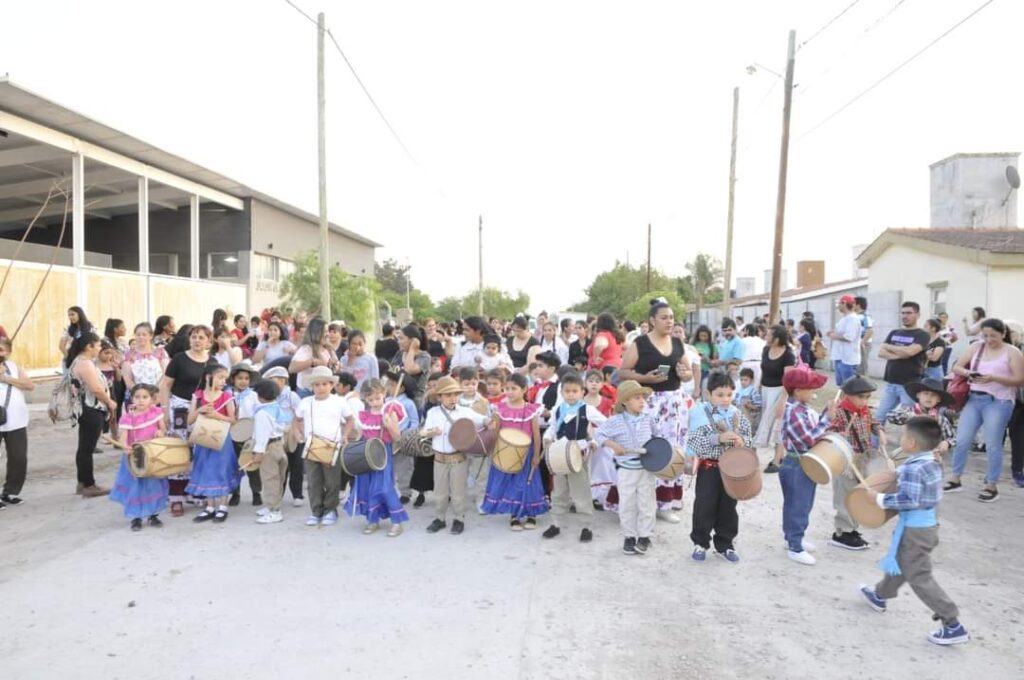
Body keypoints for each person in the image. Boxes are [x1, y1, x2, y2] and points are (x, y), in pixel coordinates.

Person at [858, 417, 969, 647]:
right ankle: (879, 595)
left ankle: (952, 623)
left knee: (919, 575)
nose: (901, 438)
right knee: (902, 562)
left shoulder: (913, 467)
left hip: (917, 530)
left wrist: (877, 498)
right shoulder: (931, 461)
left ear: (911, 444)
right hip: (926, 525)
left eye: (904, 435)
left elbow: (909, 499)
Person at [616, 299, 693, 522]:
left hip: (674, 404)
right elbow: (623, 372)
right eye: (664, 317)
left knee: (671, 450)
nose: (669, 321)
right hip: (648, 403)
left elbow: (687, 372)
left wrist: (684, 374)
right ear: (652, 320)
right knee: (646, 449)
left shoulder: (678, 343)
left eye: (671, 317)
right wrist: (644, 378)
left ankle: (666, 503)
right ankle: (642, 501)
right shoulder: (640, 343)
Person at [945, 319, 1024, 502]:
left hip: (999, 401)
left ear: (1003, 334)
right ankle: (955, 478)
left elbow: (1020, 379)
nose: (989, 339)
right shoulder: (977, 347)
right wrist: (968, 374)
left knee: (993, 444)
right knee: (963, 440)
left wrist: (993, 378)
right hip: (974, 398)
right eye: (985, 335)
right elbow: (956, 366)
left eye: (993, 336)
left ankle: (991, 484)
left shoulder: (1012, 352)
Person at [686, 371, 753, 563]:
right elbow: (695, 443)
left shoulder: (737, 415)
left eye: (729, 395)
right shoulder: (701, 412)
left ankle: (725, 544)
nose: (725, 399)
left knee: (729, 507)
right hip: (709, 468)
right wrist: (718, 438)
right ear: (708, 394)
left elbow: (750, 439)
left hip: (732, 470)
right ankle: (700, 542)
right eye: (720, 395)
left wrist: (742, 441)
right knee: (704, 505)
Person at [591, 380, 655, 555]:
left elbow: (657, 439)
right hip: (626, 470)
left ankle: (644, 536)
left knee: (647, 503)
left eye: (643, 397)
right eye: (637, 397)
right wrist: (613, 445)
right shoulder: (615, 421)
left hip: (646, 469)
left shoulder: (649, 419)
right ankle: (629, 536)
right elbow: (599, 433)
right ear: (625, 401)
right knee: (627, 503)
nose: (642, 401)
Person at [776, 366, 831, 566]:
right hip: (797, 464)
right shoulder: (793, 411)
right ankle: (795, 546)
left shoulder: (799, 408)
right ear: (798, 390)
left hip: (798, 463)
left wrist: (825, 414)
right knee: (799, 505)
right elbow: (809, 439)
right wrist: (828, 418)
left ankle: (792, 538)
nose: (813, 392)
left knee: (796, 504)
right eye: (809, 388)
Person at [542, 373, 607, 542]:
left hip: (579, 455)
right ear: (562, 392)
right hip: (559, 455)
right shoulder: (557, 410)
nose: (571, 394)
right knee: (558, 491)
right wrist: (548, 438)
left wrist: (593, 441)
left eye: (575, 391)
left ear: (582, 392)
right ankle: (556, 523)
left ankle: (586, 526)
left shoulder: (587, 409)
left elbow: (606, 425)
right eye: (567, 391)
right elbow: (552, 428)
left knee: (581, 492)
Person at [422, 376, 490, 535]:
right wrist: (431, 432)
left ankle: (459, 519)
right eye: (447, 395)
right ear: (439, 397)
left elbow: (482, 419)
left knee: (458, 492)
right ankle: (440, 518)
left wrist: (489, 421)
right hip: (439, 459)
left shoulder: (465, 412)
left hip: (458, 458)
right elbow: (423, 432)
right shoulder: (433, 413)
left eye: (455, 394)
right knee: (440, 492)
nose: (452, 398)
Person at [160, 325, 216, 515]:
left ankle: (197, 493)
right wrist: (165, 410)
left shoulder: (212, 362)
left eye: (201, 337)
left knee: (200, 450)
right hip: (180, 409)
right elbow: (166, 385)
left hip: (203, 410)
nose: (197, 340)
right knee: (179, 450)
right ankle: (176, 498)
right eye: (194, 337)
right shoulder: (179, 359)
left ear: (209, 341)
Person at [480, 373, 548, 530]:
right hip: (507, 453)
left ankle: (531, 513)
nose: (509, 392)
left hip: (528, 452)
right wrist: (493, 450)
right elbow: (496, 432)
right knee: (512, 484)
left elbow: (536, 435)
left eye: (514, 388)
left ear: (524, 389)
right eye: (507, 388)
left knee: (529, 482)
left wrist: (536, 455)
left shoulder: (532, 410)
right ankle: (515, 515)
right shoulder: (500, 409)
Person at [345, 379, 409, 536]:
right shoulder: (364, 415)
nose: (375, 402)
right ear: (365, 399)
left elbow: (397, 437)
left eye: (377, 398)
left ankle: (397, 522)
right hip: (367, 454)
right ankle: (372, 520)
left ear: (384, 394)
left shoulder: (390, 411)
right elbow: (361, 436)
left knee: (384, 487)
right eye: (370, 399)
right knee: (367, 486)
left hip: (383, 453)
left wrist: (389, 425)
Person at [826, 376, 884, 551]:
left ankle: (851, 529)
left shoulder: (865, 410)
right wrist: (836, 431)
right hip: (845, 461)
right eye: (861, 397)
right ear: (847, 395)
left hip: (862, 459)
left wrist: (880, 432)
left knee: (857, 495)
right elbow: (829, 430)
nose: (864, 401)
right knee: (844, 495)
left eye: (867, 397)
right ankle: (842, 532)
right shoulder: (840, 412)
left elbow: (874, 422)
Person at [293, 366, 355, 526]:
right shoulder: (306, 402)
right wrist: (297, 433)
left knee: (332, 481)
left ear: (331, 385)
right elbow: (297, 419)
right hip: (311, 446)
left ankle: (330, 510)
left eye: (324, 384)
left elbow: (350, 419)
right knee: (313, 481)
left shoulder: (339, 402)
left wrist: (345, 435)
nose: (321, 388)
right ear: (312, 386)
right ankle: (316, 511)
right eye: (317, 385)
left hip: (332, 446)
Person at [186, 364, 241, 523]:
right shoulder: (198, 396)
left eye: (225, 378)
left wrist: (216, 415)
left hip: (222, 440)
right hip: (203, 439)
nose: (224, 381)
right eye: (220, 377)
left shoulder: (227, 396)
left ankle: (223, 506)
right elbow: (189, 420)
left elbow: (233, 420)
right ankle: (210, 507)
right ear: (208, 377)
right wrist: (199, 410)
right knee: (206, 469)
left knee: (221, 469)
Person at [110, 384, 168, 530]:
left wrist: (160, 433)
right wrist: (125, 447)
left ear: (151, 399)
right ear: (132, 398)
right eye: (137, 397)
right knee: (135, 487)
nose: (141, 400)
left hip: (153, 455)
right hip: (135, 457)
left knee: (153, 485)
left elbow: (163, 429)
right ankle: (136, 517)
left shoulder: (156, 412)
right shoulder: (128, 418)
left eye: (145, 397)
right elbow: (123, 437)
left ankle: (153, 515)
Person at [67, 332, 117, 497]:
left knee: (84, 447)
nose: (100, 349)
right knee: (87, 448)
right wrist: (110, 403)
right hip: (90, 408)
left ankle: (82, 482)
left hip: (86, 408)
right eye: (98, 346)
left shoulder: (81, 361)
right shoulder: (85, 364)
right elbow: (96, 389)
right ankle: (89, 484)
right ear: (89, 346)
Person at [875, 302, 930, 424]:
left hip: (909, 386)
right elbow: (881, 353)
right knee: (878, 418)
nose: (905, 316)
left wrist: (890, 347)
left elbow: (910, 352)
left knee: (909, 421)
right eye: (903, 313)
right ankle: (874, 443)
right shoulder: (894, 332)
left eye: (909, 313)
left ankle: (908, 443)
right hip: (891, 384)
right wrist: (901, 354)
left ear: (918, 315)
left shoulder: (922, 335)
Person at [756, 325, 796, 473]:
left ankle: (777, 459)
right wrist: (758, 388)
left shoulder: (788, 354)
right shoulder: (766, 350)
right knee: (765, 422)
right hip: (766, 390)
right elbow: (763, 370)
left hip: (780, 391)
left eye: (769, 334)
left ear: (777, 338)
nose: (766, 336)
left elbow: (788, 379)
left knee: (778, 425)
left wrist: (782, 401)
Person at [262, 366, 305, 508]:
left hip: (292, 433)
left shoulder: (291, 396)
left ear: (282, 381)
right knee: (281, 466)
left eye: (274, 381)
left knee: (296, 465)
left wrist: (299, 432)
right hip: (277, 434)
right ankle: (278, 494)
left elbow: (300, 415)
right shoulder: (269, 397)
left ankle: (297, 494)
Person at [0, 337, 34, 506]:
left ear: (8, 351)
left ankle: (10, 491)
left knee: (18, 457)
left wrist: (6, 378)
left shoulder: (13, 367)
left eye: (2, 349)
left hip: (16, 419)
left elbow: (29, 385)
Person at [887, 378, 957, 458]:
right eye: (926, 393)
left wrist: (947, 443)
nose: (929, 397)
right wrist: (909, 416)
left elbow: (953, 438)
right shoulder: (909, 410)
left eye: (933, 395)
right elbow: (891, 416)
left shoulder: (941, 419)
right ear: (918, 395)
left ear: (939, 399)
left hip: (930, 457)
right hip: (907, 455)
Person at [249, 378, 287, 524]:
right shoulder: (276, 407)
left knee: (269, 479)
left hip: (268, 448)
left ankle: (274, 511)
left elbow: (262, 435)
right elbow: (283, 425)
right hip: (279, 445)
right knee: (278, 478)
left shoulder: (261, 414)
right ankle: (272, 505)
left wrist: (258, 453)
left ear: (260, 396)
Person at [227, 362, 262, 507]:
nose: (243, 381)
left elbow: (258, 413)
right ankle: (235, 493)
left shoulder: (253, 395)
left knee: (251, 464)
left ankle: (256, 492)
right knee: (234, 465)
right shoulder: (227, 394)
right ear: (233, 379)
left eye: (246, 378)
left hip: (249, 434)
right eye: (240, 378)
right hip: (232, 435)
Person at [289, 318, 338, 398]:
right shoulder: (306, 349)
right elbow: (292, 368)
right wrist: (312, 362)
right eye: (325, 331)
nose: (327, 334)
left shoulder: (328, 348)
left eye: (327, 331)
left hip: (323, 392)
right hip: (307, 392)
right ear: (316, 332)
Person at [122, 323, 169, 398]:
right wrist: (142, 395)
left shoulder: (160, 352)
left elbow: (166, 373)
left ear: (150, 336)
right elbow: (127, 378)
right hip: (136, 396)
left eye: (144, 334)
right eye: (138, 335)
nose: (141, 337)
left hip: (158, 395)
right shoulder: (128, 354)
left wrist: (155, 392)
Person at [392, 324, 432, 407]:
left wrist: (412, 349)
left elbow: (409, 370)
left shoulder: (424, 357)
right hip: (397, 400)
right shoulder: (399, 353)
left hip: (414, 403)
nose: (398, 341)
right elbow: (391, 371)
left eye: (401, 338)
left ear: (413, 340)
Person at [828, 294, 863, 387]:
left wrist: (834, 335)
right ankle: (842, 401)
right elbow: (842, 333)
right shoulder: (845, 318)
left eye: (840, 303)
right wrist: (834, 333)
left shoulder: (853, 319)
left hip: (848, 359)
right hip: (840, 356)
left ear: (844, 303)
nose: (838, 306)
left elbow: (849, 337)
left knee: (849, 386)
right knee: (842, 386)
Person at [735, 368, 762, 435]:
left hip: (750, 417)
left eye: (745, 380)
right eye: (741, 380)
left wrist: (749, 405)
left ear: (751, 380)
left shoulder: (753, 392)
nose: (743, 382)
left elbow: (758, 407)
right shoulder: (739, 391)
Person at [854, 297, 874, 377]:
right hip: (856, 343)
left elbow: (870, 330)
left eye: (853, 303)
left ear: (858, 305)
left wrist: (862, 342)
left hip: (863, 344)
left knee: (862, 366)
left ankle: (864, 385)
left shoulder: (865, 316)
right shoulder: (854, 316)